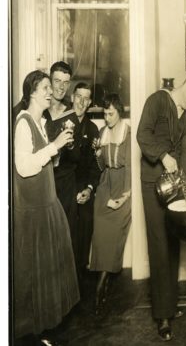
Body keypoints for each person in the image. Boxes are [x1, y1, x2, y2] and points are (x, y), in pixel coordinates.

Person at [137, 71, 186, 341]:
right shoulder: (157, 100)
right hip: (152, 183)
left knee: (173, 240)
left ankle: (170, 304)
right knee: (158, 245)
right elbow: (142, 136)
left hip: (175, 185)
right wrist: (164, 156)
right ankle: (162, 316)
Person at [13, 70, 80, 344]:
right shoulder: (22, 123)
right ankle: (31, 334)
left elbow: (44, 164)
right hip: (33, 211)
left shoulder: (39, 122)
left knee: (47, 273)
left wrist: (58, 148)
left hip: (47, 204)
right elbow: (24, 167)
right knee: (33, 275)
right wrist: (54, 145)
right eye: (44, 88)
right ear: (31, 92)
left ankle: (43, 330)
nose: (50, 92)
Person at [89, 94, 131, 314]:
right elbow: (100, 167)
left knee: (114, 236)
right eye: (104, 113)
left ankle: (100, 287)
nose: (107, 117)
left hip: (122, 185)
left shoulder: (127, 132)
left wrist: (124, 197)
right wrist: (97, 153)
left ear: (119, 112)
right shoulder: (103, 133)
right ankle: (102, 282)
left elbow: (131, 167)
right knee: (100, 235)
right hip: (106, 185)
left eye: (111, 113)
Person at [44, 62, 83, 259]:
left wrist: (70, 146)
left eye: (66, 83)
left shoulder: (70, 114)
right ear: (50, 81)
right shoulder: (39, 109)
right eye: (57, 81)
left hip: (66, 183)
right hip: (44, 181)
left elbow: (77, 157)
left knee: (68, 236)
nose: (61, 87)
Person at [72, 82, 101, 283]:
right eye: (79, 96)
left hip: (85, 189)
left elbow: (94, 167)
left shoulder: (92, 130)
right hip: (64, 190)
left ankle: (81, 281)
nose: (82, 102)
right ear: (72, 97)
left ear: (90, 102)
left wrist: (89, 189)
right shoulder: (60, 122)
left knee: (85, 230)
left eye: (86, 98)